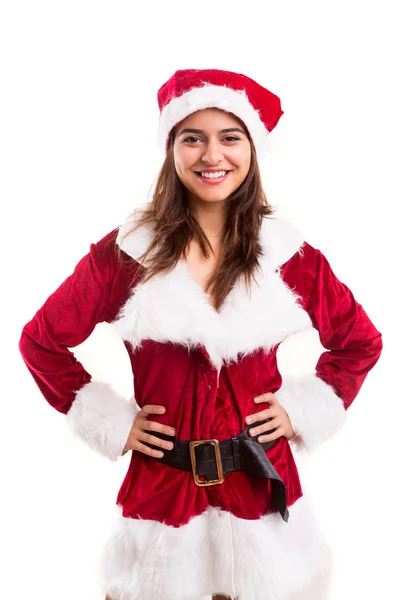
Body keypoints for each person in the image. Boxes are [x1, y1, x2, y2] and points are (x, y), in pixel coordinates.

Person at [19, 68, 383, 600]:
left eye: (229, 137)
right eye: (193, 138)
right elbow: (41, 342)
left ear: (251, 149)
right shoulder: (127, 254)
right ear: (172, 149)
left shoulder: (286, 255)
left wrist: (300, 407)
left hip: (262, 494)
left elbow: (360, 341)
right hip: (162, 501)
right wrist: (115, 422)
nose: (213, 155)